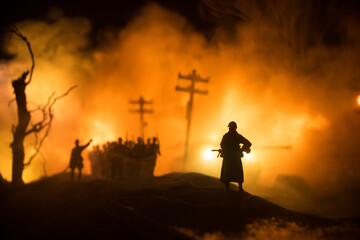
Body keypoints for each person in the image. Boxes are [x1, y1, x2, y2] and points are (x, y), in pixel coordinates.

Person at [220, 121, 251, 193]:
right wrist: (241, 150)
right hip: (232, 157)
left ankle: (238, 188)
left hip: (232, 157)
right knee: (230, 174)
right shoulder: (230, 136)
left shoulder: (231, 136)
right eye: (230, 127)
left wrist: (241, 150)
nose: (231, 129)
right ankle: (230, 189)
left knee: (232, 173)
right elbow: (222, 145)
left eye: (231, 127)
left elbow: (248, 143)